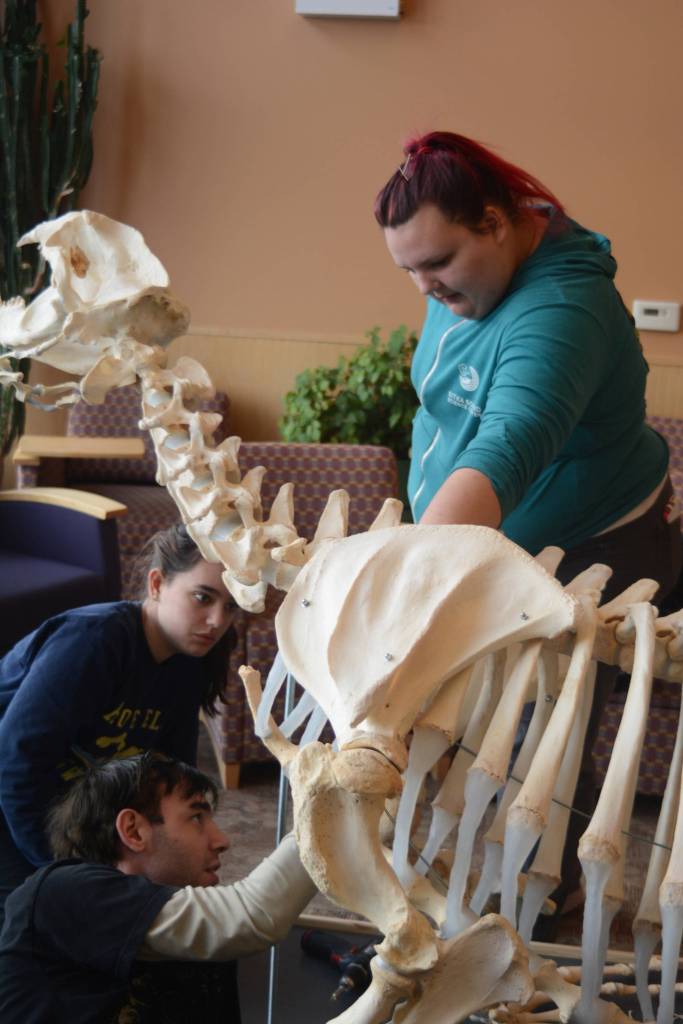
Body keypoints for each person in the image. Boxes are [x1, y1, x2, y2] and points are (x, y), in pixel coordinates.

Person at [374, 131, 683, 926]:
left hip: (596, 541)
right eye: (408, 269)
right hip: (491, 536)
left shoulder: (563, 309)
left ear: (496, 222)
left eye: (437, 262)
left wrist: (411, 583)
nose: (425, 286)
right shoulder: (474, 274)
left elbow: (508, 443)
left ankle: (537, 916)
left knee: (543, 744)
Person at [0, 523, 238, 927]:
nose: (217, 621)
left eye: (231, 606)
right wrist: (62, 874)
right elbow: (14, 764)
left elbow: (171, 778)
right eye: (203, 598)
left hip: (73, 804)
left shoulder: (189, 664)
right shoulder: (94, 640)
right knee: (32, 928)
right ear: (158, 583)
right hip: (11, 797)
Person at [0, 751, 316, 1023]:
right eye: (196, 817)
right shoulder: (60, 893)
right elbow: (250, 917)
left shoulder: (193, 936)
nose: (222, 840)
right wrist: (326, 807)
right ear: (133, 831)